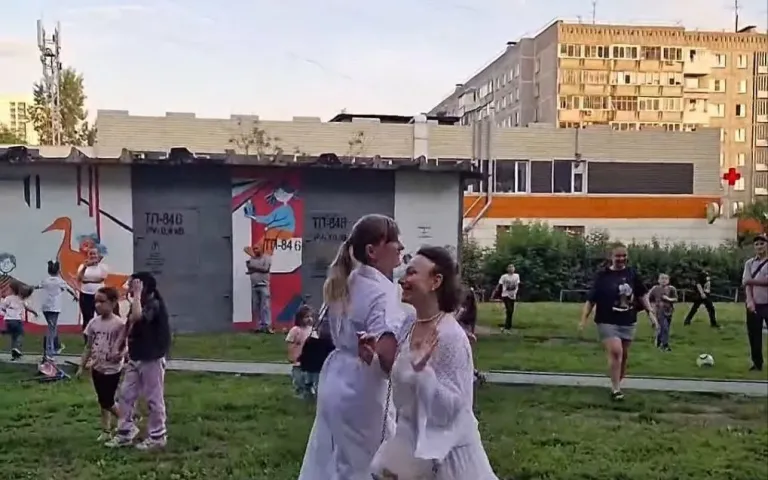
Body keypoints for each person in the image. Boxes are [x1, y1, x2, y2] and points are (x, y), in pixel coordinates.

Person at [370, 246, 498, 479]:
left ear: (435, 281)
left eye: (412, 273)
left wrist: (422, 373)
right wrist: (373, 357)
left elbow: (453, 411)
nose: (402, 280)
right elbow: (401, 386)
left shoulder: (450, 337)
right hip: (411, 445)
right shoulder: (409, 323)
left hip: (446, 459)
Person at [298, 214, 404, 480]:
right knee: (369, 460)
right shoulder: (381, 291)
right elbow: (386, 350)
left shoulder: (345, 281)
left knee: (331, 455)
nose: (401, 247)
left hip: (336, 375)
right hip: (364, 381)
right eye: (394, 241)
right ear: (372, 251)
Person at [579, 243, 657, 401]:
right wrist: (583, 319)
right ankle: (616, 390)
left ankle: (616, 382)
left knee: (623, 356)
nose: (621, 259)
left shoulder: (632, 273)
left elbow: (642, 295)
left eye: (624, 256)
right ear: (611, 257)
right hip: (606, 320)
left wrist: (651, 314)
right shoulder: (602, 276)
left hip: (628, 320)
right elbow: (591, 299)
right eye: (618, 256)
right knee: (616, 351)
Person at [105, 272, 171, 451]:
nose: (129, 288)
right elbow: (129, 324)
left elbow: (137, 317)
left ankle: (158, 436)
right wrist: (118, 347)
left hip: (151, 358)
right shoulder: (138, 303)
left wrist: (136, 294)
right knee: (125, 395)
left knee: (153, 398)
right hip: (135, 357)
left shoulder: (153, 304)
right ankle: (125, 431)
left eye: (132, 285)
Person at [76, 286, 127, 440]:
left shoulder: (119, 324)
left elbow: (126, 346)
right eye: (96, 302)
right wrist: (81, 366)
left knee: (108, 401)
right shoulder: (93, 323)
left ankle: (128, 421)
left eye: (102, 301)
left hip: (112, 369)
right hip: (97, 367)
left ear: (113, 303)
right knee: (102, 401)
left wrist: (120, 355)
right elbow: (88, 346)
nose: (97, 305)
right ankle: (106, 430)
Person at [37, 260, 77, 362]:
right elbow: (69, 289)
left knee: (52, 328)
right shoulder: (60, 281)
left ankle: (54, 347)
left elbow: (37, 286)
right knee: (51, 330)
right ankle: (49, 352)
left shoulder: (45, 280)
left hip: (45, 307)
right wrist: (75, 296)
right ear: (59, 270)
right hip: (54, 308)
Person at [742, 234, 768, 372]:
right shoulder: (749, 263)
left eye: (762, 244)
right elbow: (746, 283)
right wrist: (749, 301)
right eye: (757, 244)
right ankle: (757, 364)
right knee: (754, 335)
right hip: (754, 303)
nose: (759, 247)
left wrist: (751, 281)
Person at [77, 248, 109, 342]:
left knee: (101, 315)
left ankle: (101, 338)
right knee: (87, 317)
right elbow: (79, 278)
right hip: (85, 293)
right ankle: (87, 340)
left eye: (94, 254)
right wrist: (85, 267)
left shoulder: (102, 267)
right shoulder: (83, 266)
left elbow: (102, 278)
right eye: (91, 254)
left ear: (98, 255)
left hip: (99, 294)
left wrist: (87, 280)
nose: (93, 256)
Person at [1, 281, 38, 361]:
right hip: (17, 320)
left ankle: (14, 353)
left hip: (8, 320)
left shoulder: (8, 298)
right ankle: (16, 348)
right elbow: (27, 308)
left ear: (12, 290)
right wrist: (34, 312)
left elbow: (3, 308)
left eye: (8, 289)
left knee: (13, 336)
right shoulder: (20, 299)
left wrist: (7, 311)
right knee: (20, 334)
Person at [287, 305, 314, 398]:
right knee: (298, 377)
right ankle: (299, 391)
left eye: (311, 316)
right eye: (306, 317)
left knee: (308, 376)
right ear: (300, 318)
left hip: (309, 358)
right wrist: (291, 356)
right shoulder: (295, 330)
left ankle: (308, 391)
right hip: (298, 359)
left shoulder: (312, 330)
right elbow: (290, 343)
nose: (309, 319)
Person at [245, 245, 273, 334]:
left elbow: (265, 269)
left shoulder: (266, 258)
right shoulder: (252, 259)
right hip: (254, 285)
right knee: (256, 307)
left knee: (265, 306)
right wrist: (254, 267)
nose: (255, 250)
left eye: (257, 248)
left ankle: (267, 326)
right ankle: (259, 326)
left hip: (264, 285)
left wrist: (254, 268)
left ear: (261, 249)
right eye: (254, 249)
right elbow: (249, 268)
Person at [648, 273, 678, 351]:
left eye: (666, 279)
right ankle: (665, 345)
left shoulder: (672, 289)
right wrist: (652, 308)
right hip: (659, 311)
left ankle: (658, 342)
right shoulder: (655, 289)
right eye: (662, 278)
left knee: (665, 328)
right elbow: (648, 298)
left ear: (668, 280)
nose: (664, 280)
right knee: (664, 328)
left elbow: (675, 299)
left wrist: (668, 299)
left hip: (669, 311)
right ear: (658, 280)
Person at [495, 264, 520, 333]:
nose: (511, 269)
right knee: (509, 309)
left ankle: (508, 326)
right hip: (505, 295)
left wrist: (517, 292)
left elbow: (517, 285)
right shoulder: (504, 276)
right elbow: (499, 284)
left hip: (513, 295)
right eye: (510, 267)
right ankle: (506, 326)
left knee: (511, 311)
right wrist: (496, 291)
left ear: (514, 269)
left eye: (512, 267)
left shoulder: (517, 276)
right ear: (507, 269)